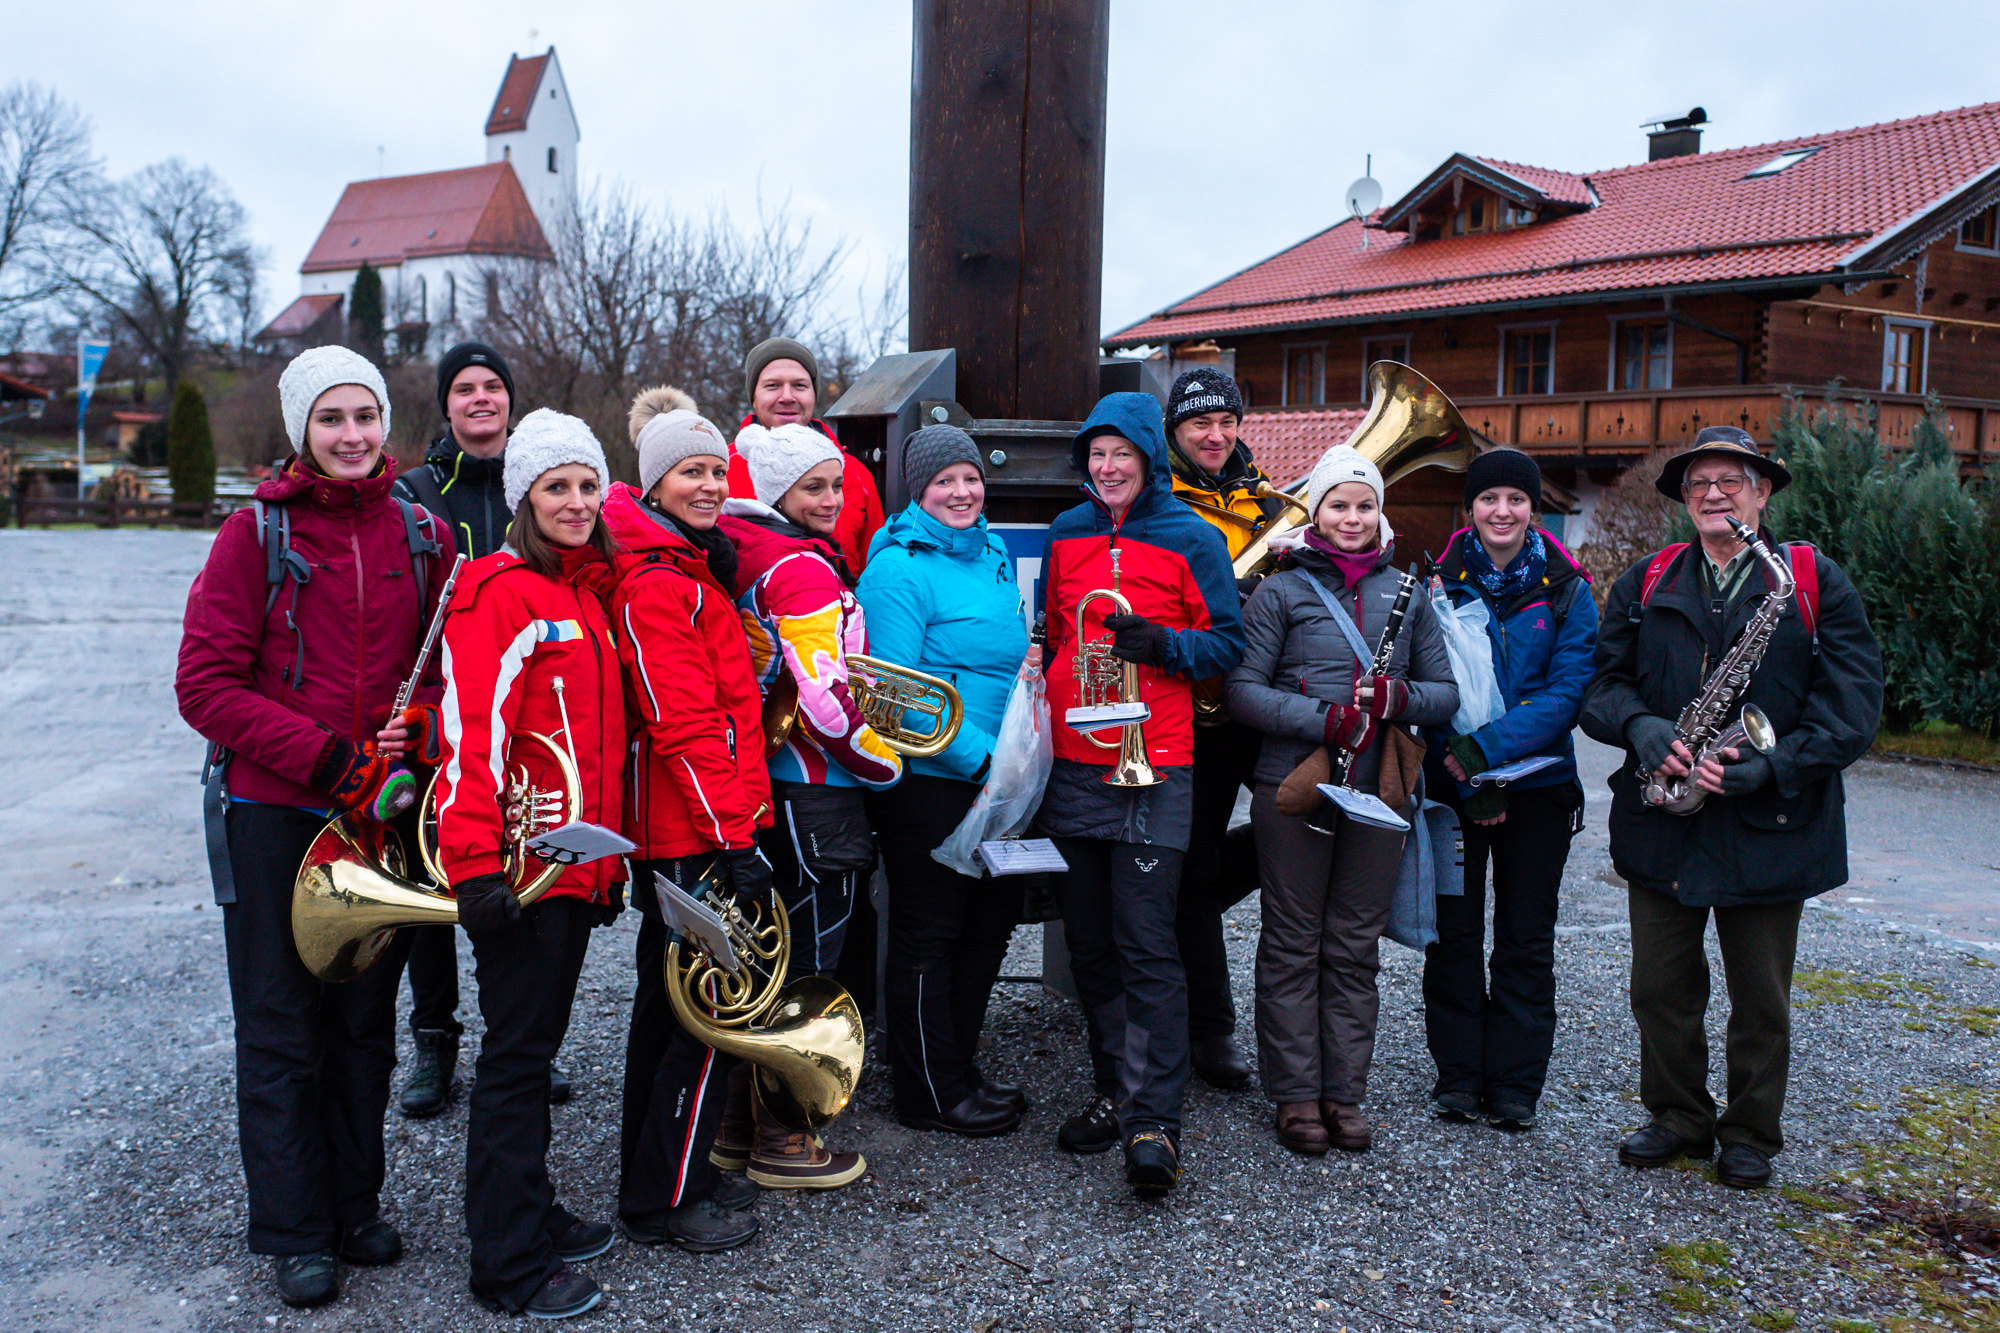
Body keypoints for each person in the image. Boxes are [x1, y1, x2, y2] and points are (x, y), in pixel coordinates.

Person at [176, 345, 456, 1308]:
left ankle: (354, 1203)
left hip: (377, 819)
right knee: (281, 1024)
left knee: (364, 1025)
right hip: (276, 813)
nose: (352, 435)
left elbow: (445, 678)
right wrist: (333, 760)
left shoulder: (424, 533)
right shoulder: (251, 535)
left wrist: (421, 735)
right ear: (302, 428)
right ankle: (296, 1229)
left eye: (365, 416)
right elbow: (204, 687)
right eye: (331, 418)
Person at [1580, 426, 1882, 1190]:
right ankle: (1678, 1115)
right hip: (1664, 815)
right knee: (1659, 989)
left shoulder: (1809, 579)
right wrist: (1642, 728)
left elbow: (1853, 708)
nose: (1714, 494)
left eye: (1731, 481)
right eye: (1699, 484)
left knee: (1761, 999)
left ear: (1763, 492)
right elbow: (1602, 687)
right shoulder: (1647, 578)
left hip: (1770, 822)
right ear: (1684, 499)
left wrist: (1774, 766)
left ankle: (1749, 1132)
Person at [433, 409, 627, 1319]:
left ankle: (530, 1207)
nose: (577, 501)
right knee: (514, 1060)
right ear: (524, 497)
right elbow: (471, 735)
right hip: (518, 872)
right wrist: (475, 866)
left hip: (569, 868)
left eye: (589, 485)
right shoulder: (501, 593)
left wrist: (604, 869)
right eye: (557, 486)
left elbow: (596, 743)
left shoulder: (582, 592)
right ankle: (506, 1261)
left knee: (536, 1047)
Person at [1223, 444, 1456, 1156]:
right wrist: (1325, 719)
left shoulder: (1407, 593)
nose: (1352, 518)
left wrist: (1398, 698)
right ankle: (1296, 1095)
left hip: (1380, 787)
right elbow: (1241, 692)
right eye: (1338, 505)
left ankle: (1343, 1094)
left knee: (1354, 945)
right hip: (1294, 783)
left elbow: (1445, 694)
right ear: (1317, 513)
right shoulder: (1280, 592)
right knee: (1293, 942)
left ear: (1379, 514)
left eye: (1364, 505)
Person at [1038, 392, 1244, 1195]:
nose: (1108, 467)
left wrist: (1164, 645)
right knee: (1090, 942)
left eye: (1121, 452)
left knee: (1147, 943)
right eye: (1096, 454)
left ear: (1149, 458)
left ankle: (1155, 1121)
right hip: (1076, 761)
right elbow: (1057, 633)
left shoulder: (1192, 536)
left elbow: (1226, 641)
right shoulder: (1066, 532)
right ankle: (1116, 1089)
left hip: (1156, 762)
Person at [601, 388, 769, 1253]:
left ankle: (669, 1172)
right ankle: (665, 1197)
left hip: (703, 823)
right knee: (701, 1019)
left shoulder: (692, 568)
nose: (707, 485)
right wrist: (735, 836)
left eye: (715, 470)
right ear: (654, 485)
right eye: (689, 472)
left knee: (670, 1015)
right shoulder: (658, 582)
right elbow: (685, 726)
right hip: (691, 831)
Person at [713, 419, 902, 1189]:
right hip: (817, 791)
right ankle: (786, 1139)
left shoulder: (747, 549)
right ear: (776, 491)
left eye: (836, 485)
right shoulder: (800, 569)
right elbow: (826, 704)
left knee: (766, 958)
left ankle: (736, 1124)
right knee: (807, 969)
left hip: (771, 784)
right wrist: (885, 764)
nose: (830, 500)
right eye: (812, 487)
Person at [855, 424, 1034, 1138]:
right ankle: (926, 1091)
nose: (962, 493)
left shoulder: (991, 552)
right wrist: (984, 760)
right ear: (917, 492)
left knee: (988, 927)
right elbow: (889, 695)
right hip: (935, 779)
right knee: (931, 933)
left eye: (970, 478)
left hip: (1002, 772)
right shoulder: (897, 570)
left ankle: (958, 1070)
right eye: (943, 482)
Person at [1420, 449, 1598, 1132]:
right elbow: (1426, 684)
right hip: (1453, 785)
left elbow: (1568, 691)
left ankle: (1516, 1084)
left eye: (1516, 499)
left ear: (1533, 508)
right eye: (1489, 498)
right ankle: (1459, 1076)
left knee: (1525, 936)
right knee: (1454, 935)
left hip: (1539, 788)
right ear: (1470, 507)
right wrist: (1463, 773)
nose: (1503, 511)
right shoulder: (1436, 582)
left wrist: (1486, 752)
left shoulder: (1568, 588)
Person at [388, 340, 532, 1119]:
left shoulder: (536, 483)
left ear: (510, 399)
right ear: (445, 405)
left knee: (517, 868)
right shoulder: (412, 492)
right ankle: (434, 1038)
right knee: (427, 884)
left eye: (493, 386)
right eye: (465, 388)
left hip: (521, 710)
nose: (481, 398)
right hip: (433, 711)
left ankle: (522, 1037)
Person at [1162, 367, 1284, 1092]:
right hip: (1194, 705)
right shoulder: (1158, 499)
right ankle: (1211, 1027)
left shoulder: (1269, 501)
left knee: (1298, 832)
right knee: (1194, 863)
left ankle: (1296, 1031)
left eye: (1226, 422)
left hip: (1262, 698)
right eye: (1199, 423)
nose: (1214, 435)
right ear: (1175, 430)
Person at [725, 336, 884, 575]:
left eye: (799, 386)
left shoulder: (853, 473)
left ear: (813, 395)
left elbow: (874, 570)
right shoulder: (719, 470)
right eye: (772, 386)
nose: (787, 396)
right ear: (754, 397)